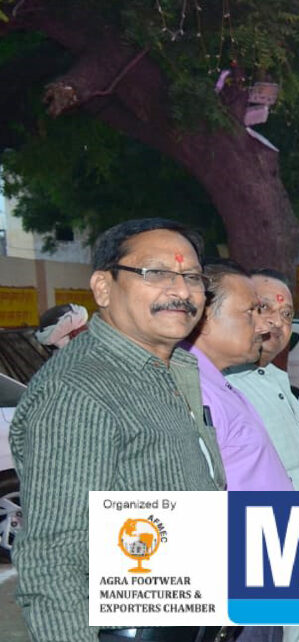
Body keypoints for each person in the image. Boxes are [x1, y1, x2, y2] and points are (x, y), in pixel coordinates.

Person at [10, 218, 225, 642]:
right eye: (156, 273)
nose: (181, 291)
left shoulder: (172, 369)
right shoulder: (79, 390)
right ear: (103, 288)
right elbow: (53, 556)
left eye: (192, 277)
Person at [187, 260, 291, 492]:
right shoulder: (193, 392)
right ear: (204, 317)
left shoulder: (216, 384)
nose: (264, 326)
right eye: (251, 312)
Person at [227, 269, 299, 492]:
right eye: (264, 307)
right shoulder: (226, 388)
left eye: (286, 314)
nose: (277, 321)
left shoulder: (280, 381)